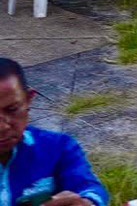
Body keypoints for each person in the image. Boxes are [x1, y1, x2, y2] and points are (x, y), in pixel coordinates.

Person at [0, 57, 109, 206]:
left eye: (12, 110)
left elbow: (90, 189)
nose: (2, 127)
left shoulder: (58, 148)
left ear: (29, 100)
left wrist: (87, 202)